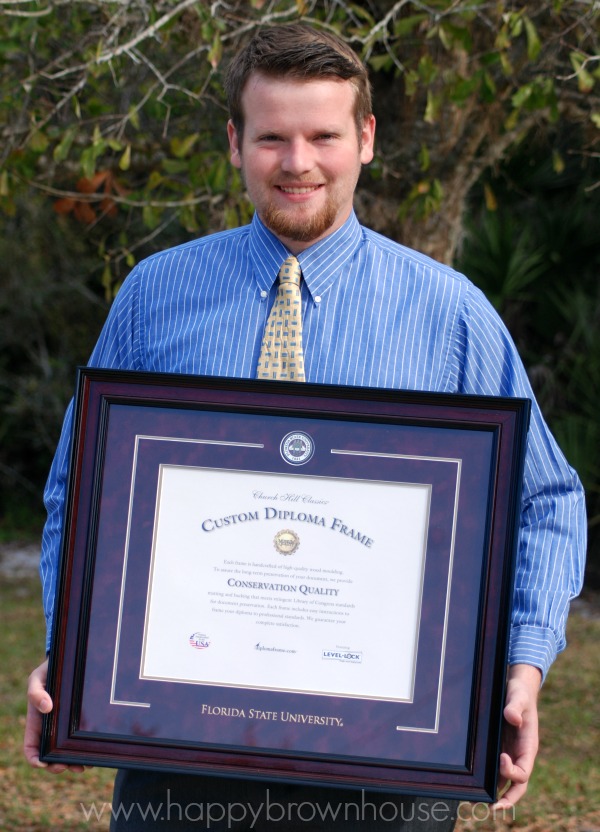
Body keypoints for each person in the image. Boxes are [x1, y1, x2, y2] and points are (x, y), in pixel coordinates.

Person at [25, 22, 586, 831]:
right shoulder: (155, 297)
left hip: (393, 756)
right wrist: (72, 649)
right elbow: (83, 491)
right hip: (183, 741)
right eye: (272, 138)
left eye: (323, 135)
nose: (298, 163)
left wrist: (522, 670)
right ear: (233, 141)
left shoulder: (450, 314)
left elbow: (546, 500)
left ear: (364, 139)